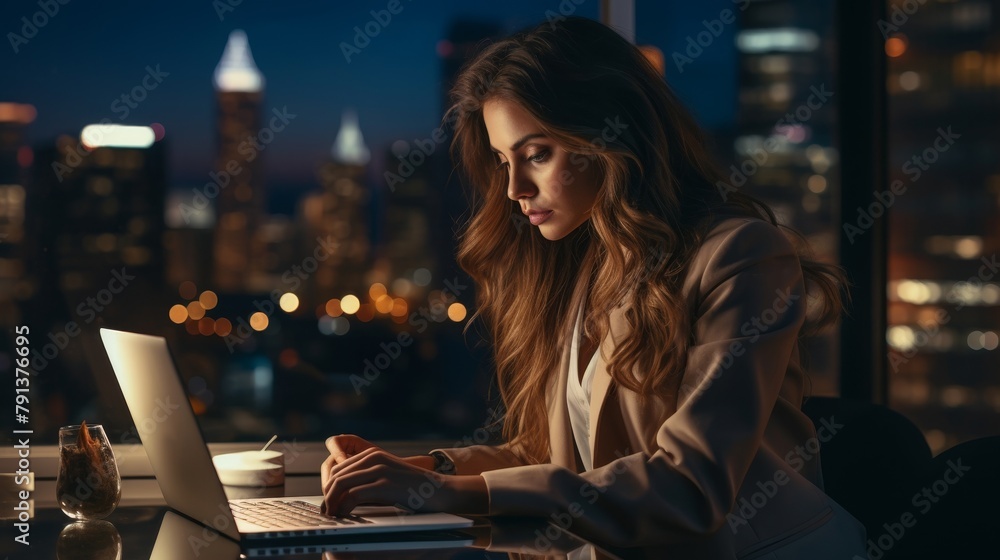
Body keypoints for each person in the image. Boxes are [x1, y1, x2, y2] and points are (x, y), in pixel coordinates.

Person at [320, 16, 868, 557]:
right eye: (502, 160)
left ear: (609, 135)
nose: (513, 188)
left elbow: (691, 486)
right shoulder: (583, 267)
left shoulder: (741, 255)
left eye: (537, 153)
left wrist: (439, 493)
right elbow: (563, 460)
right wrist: (424, 469)